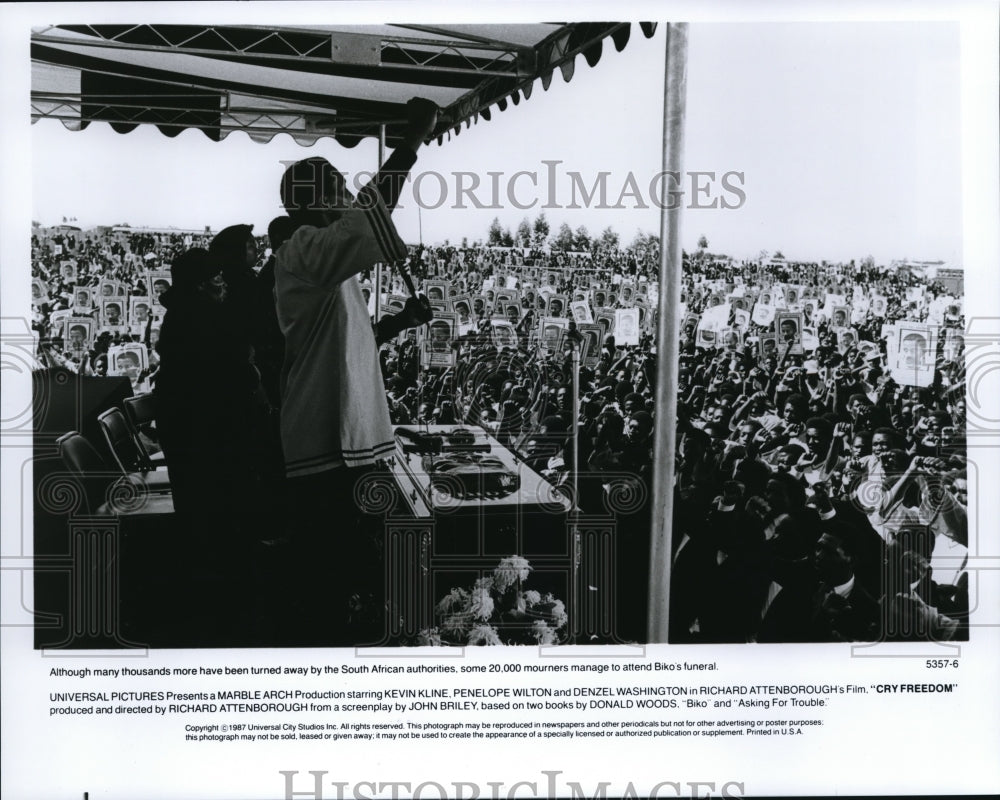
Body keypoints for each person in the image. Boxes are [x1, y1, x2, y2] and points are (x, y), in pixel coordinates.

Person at [274, 97, 439, 643]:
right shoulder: (301, 250)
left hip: (349, 440)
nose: (347, 194)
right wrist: (411, 141)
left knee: (354, 572)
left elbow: (348, 343)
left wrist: (397, 323)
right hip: (325, 444)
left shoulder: (325, 260)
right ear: (317, 200)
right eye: (338, 187)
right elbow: (372, 212)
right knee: (330, 580)